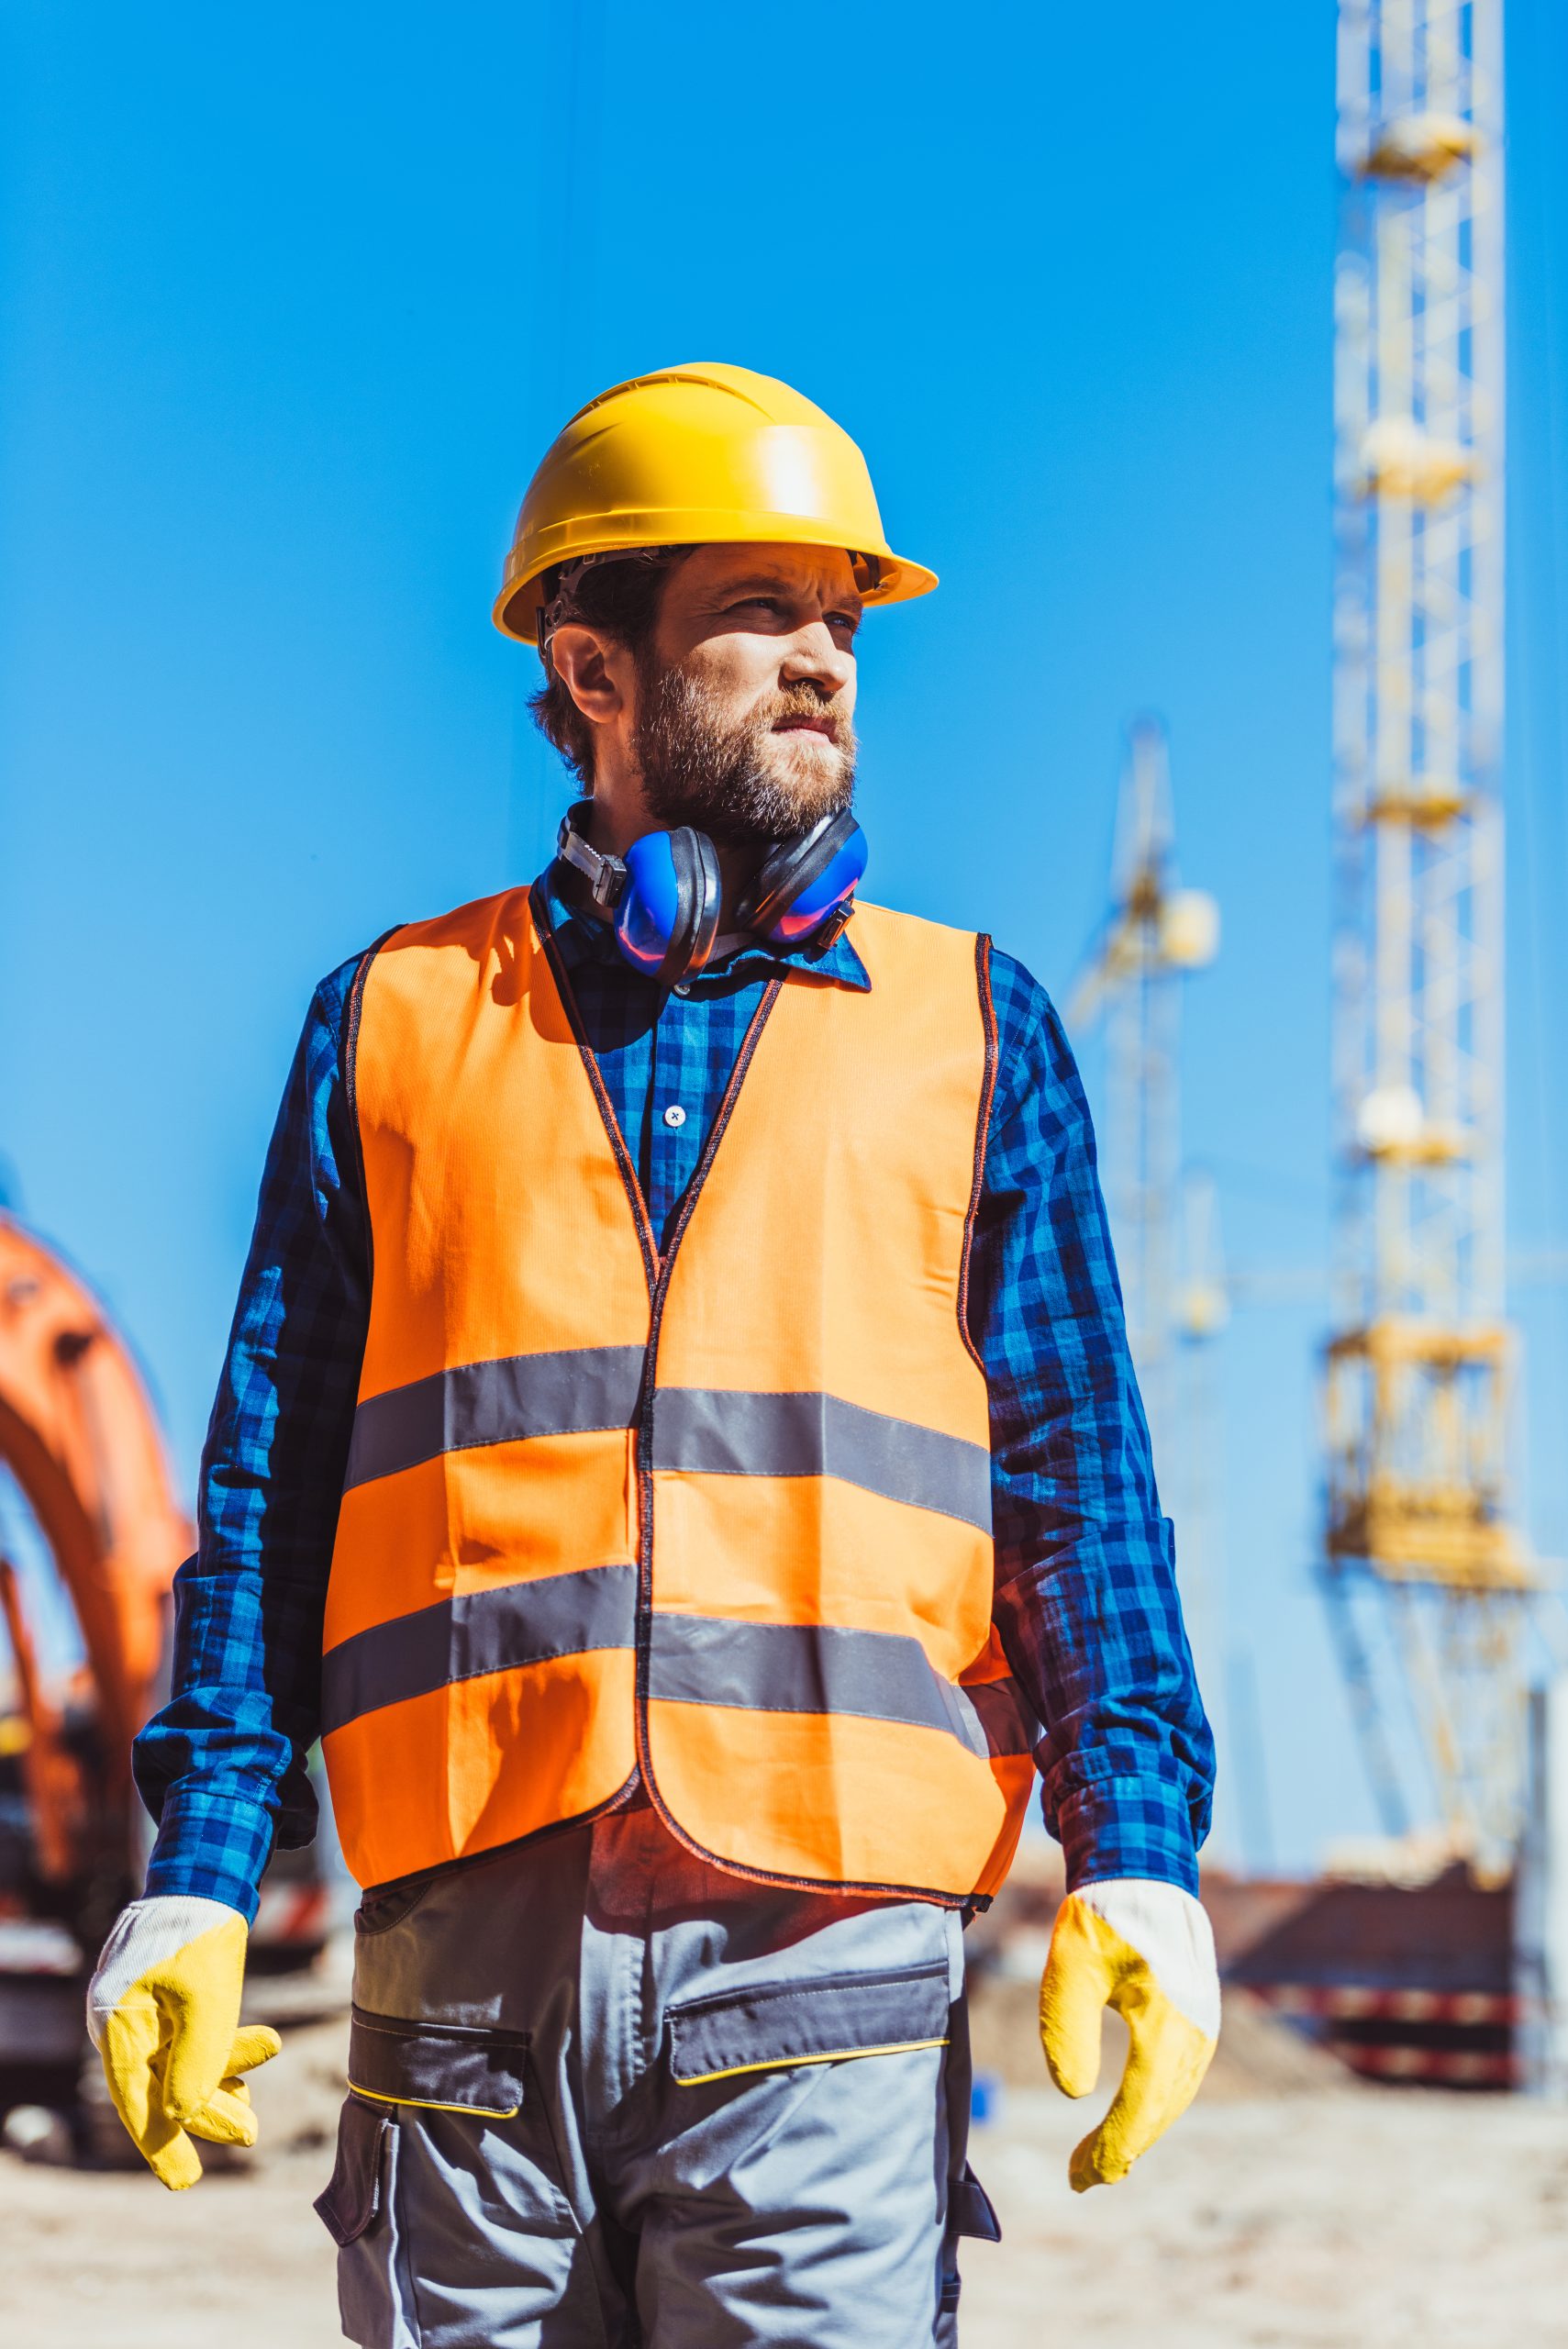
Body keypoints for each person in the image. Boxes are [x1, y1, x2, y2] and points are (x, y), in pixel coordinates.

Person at [87, 362, 1218, 2346]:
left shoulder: (975, 1028)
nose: (823, 664)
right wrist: (196, 1864)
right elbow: (269, 1491)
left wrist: (1139, 1850)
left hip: (826, 1966)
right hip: (463, 1986)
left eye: (844, 623)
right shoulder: (395, 1021)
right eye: (761, 612)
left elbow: (1082, 1489)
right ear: (595, 671)